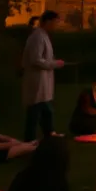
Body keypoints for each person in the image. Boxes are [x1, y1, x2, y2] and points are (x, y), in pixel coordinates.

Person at [21, 9, 65, 141]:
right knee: (35, 110)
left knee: (46, 108)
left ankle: (49, 132)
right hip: (37, 80)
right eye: (55, 22)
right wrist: (54, 64)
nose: (56, 25)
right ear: (48, 21)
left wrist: (53, 62)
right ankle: (30, 139)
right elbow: (36, 59)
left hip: (43, 80)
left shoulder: (43, 35)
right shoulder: (37, 37)